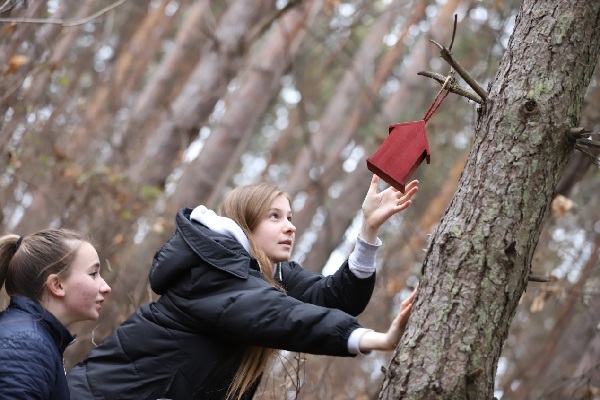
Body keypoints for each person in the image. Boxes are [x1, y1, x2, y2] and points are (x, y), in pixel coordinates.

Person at [68, 175, 419, 400]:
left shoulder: (272, 277)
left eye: (291, 218)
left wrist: (368, 230)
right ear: (244, 225)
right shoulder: (210, 271)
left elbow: (337, 299)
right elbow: (278, 314)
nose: (290, 227)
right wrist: (373, 339)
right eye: (275, 216)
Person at [0, 228, 112, 400]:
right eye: (93, 274)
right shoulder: (26, 344)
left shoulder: (32, 338)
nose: (106, 287)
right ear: (57, 285)